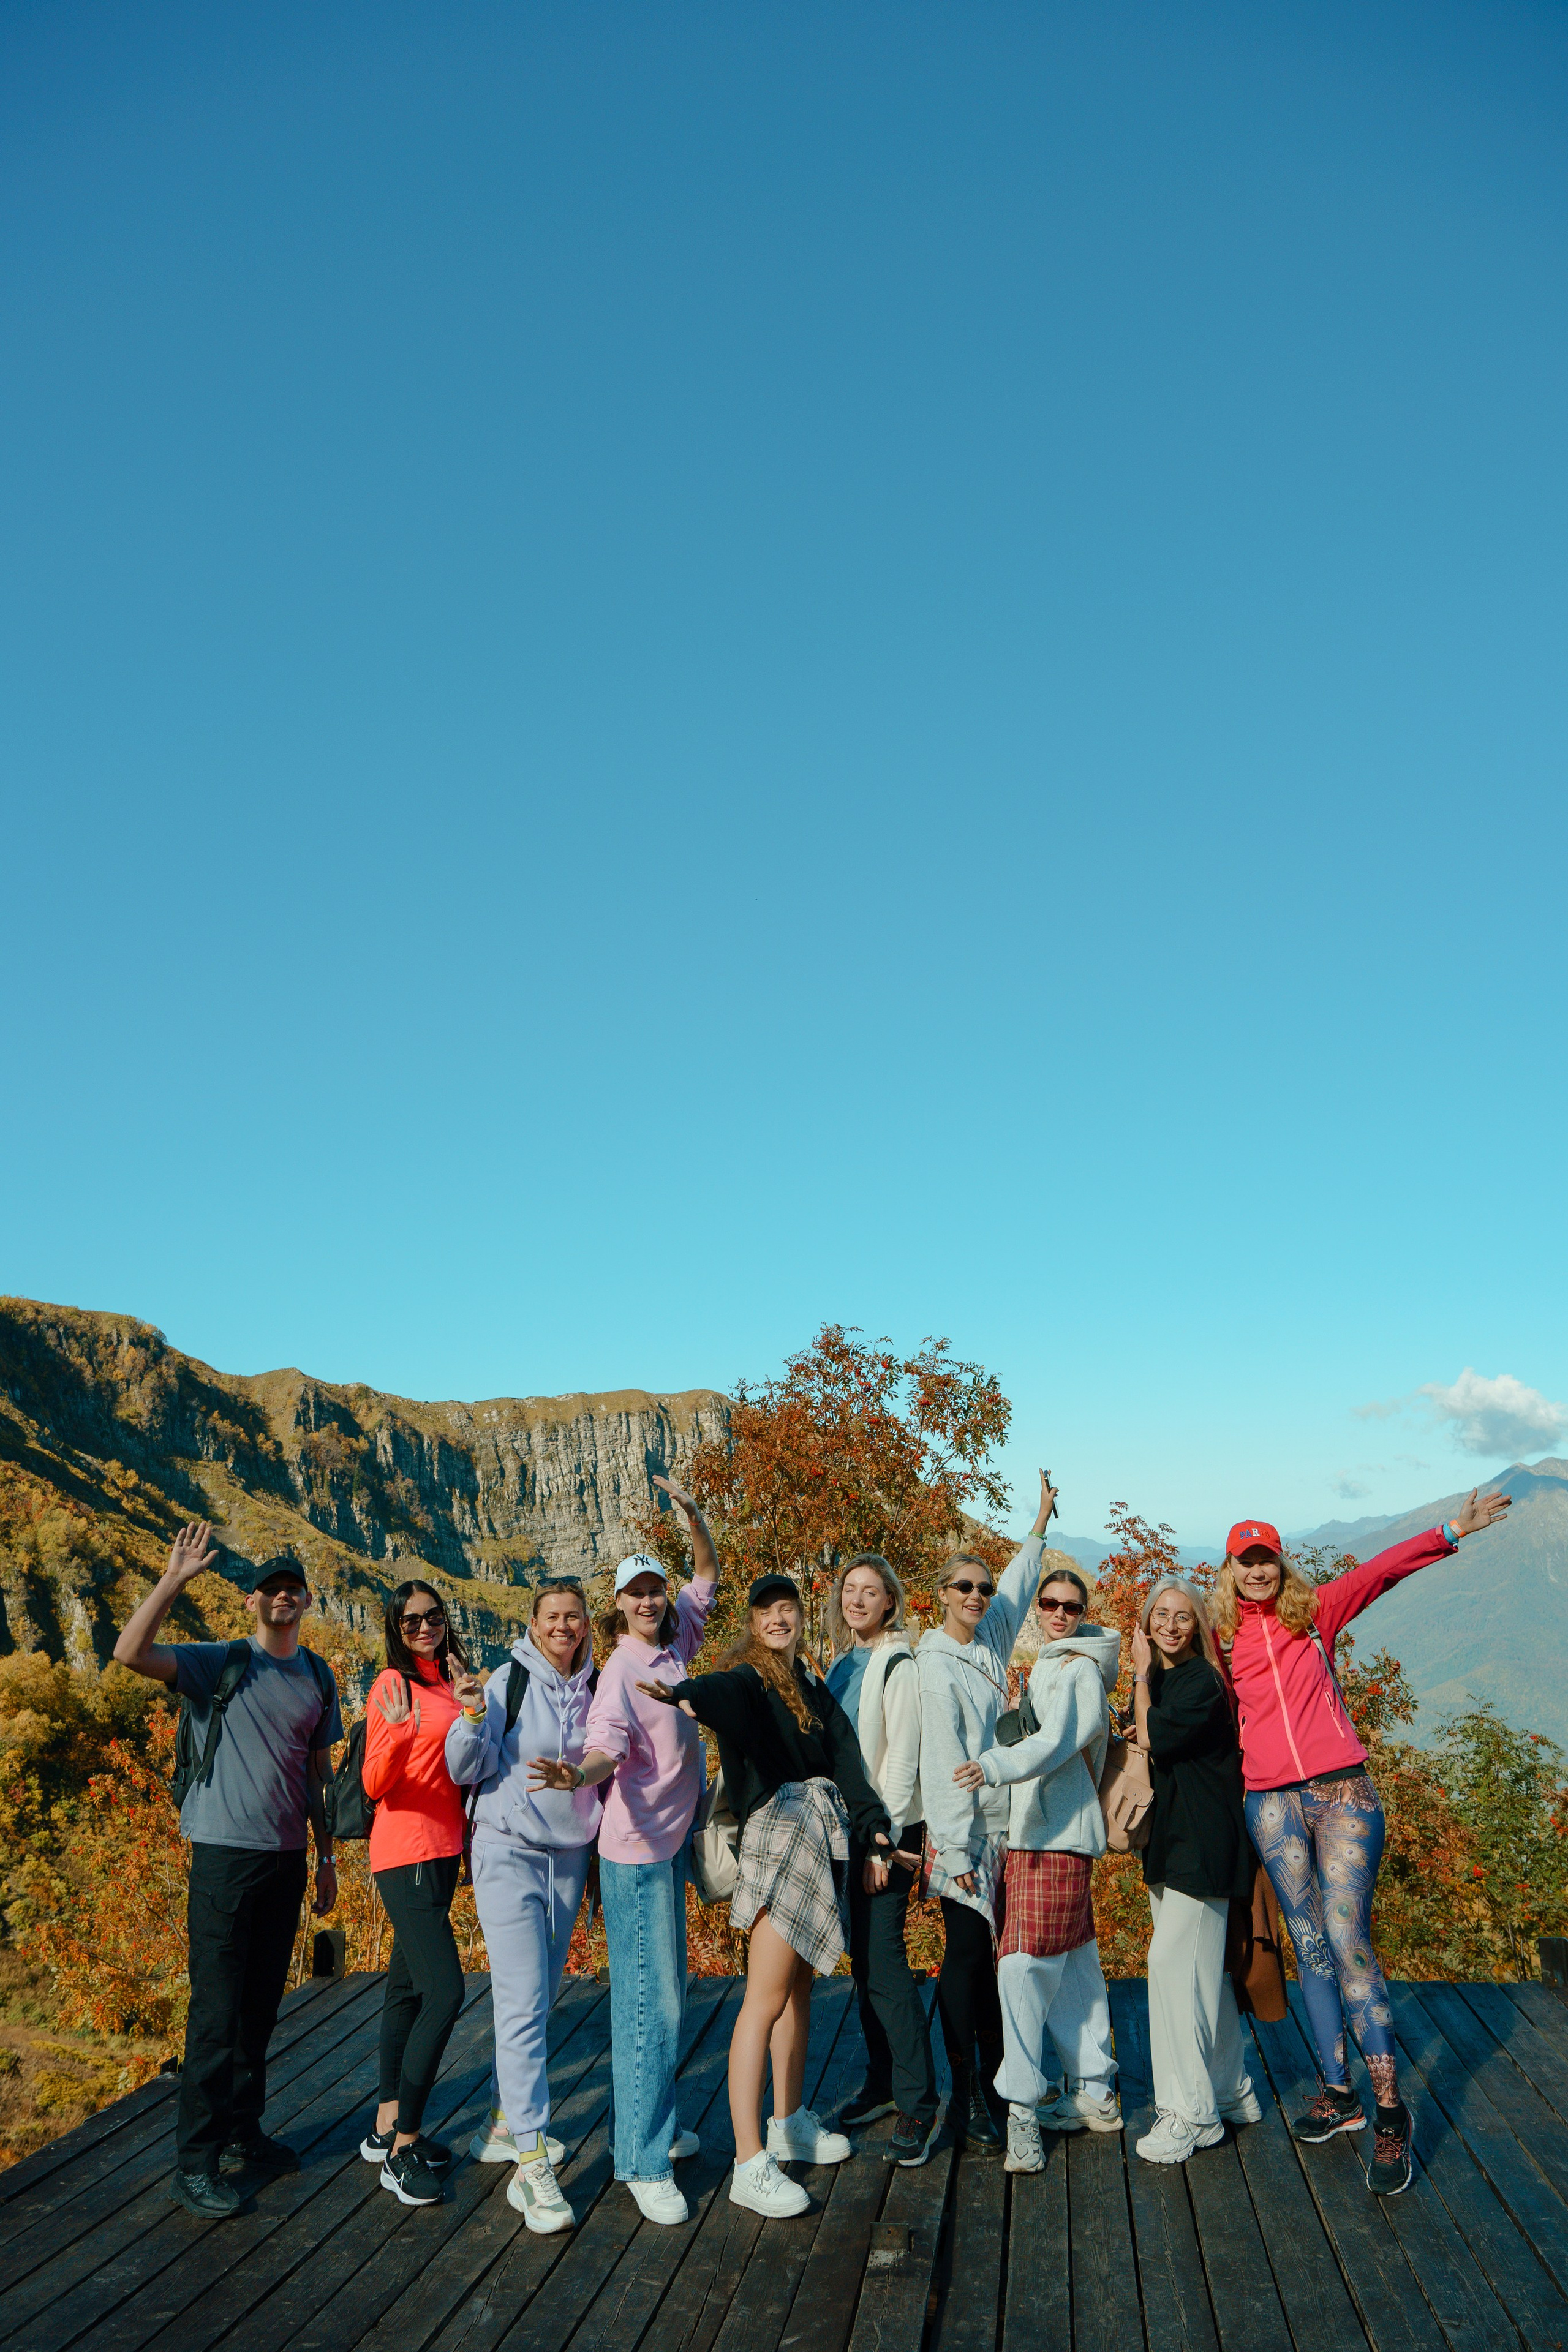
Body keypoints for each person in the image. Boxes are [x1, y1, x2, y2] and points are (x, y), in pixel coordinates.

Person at [1214, 1488, 1512, 2196]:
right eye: (1246, 1561)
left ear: (1281, 1565)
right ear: (1229, 1569)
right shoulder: (1221, 1638)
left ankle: (1388, 2113)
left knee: (1348, 1946)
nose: (1258, 1571)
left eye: (1267, 1560)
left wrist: (1449, 1530)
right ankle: (1337, 2093)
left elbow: (1381, 1569)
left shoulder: (1314, 1613)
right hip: (1269, 1805)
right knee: (1310, 1948)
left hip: (1342, 1793)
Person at [640, 1574, 893, 2219]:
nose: (778, 1620)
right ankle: (749, 2161)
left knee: (799, 1990)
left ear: (801, 1617)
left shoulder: (807, 1684)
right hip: (780, 1840)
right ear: (751, 1623)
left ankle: (789, 2121)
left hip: (820, 1837)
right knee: (764, 1997)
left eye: (788, 1609)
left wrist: (877, 1830)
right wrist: (685, 1694)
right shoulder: (748, 1677)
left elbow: (847, 1761)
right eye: (766, 1612)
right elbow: (720, 1693)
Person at [113, 1525, 341, 2218]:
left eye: (291, 1590)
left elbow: (317, 1772)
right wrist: (174, 1578)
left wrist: (328, 1856)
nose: (281, 1598)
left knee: (259, 2008)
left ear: (307, 1600)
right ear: (252, 1602)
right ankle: (196, 2163)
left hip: (286, 1860)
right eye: (270, 1590)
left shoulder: (319, 1676)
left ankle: (244, 2135)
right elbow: (129, 1653)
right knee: (215, 2012)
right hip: (223, 1856)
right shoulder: (222, 1661)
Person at [529, 1475, 718, 2225]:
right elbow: (605, 1744)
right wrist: (580, 1773)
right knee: (652, 2004)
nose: (646, 1600)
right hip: (636, 1854)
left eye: (653, 1589)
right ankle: (639, 2161)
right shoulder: (621, 1671)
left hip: (667, 1846)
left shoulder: (675, 1646)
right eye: (633, 1593)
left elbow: (706, 1575)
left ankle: (656, 2126)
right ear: (616, 1605)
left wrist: (693, 1515)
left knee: (665, 1993)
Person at [445, 1574, 601, 2235]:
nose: (562, 1626)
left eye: (573, 1616)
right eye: (552, 1616)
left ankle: (503, 2122)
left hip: (568, 1857)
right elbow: (464, 1768)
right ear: (533, 1623)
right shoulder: (509, 1680)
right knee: (520, 2001)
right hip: (506, 1853)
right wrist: (473, 1714)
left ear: (587, 1623)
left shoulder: (598, 1686)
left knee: (537, 2002)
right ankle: (532, 2164)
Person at [956, 1560, 1122, 2170]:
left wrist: (992, 1765)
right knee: (1074, 1967)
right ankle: (1096, 2092)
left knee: (1021, 1968)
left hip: (1051, 1839)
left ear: (1083, 1616)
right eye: (1047, 1603)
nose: (1055, 1612)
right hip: (1049, 1838)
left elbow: (1055, 1743)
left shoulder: (1076, 1671)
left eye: (1069, 1607)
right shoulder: (1053, 1667)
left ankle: (1022, 2114)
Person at [918, 1471, 1058, 2154]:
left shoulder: (990, 1640)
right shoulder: (935, 1663)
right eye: (963, 1588)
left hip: (1007, 1829)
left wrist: (1038, 1524)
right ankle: (966, 2094)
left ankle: (1001, 2090)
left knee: (999, 1961)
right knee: (966, 1960)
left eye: (981, 1588)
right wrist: (950, 1847)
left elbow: (1020, 1582)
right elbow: (942, 1758)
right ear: (941, 1596)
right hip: (966, 1836)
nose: (976, 1595)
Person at [1127, 1578, 1260, 2165]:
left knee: (1172, 1966)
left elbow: (1155, 1735)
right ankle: (1233, 2091)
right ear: (1147, 1619)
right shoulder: (1171, 1680)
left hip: (1201, 1843)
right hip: (1180, 1838)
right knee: (1202, 1975)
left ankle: (1190, 2113)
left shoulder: (1200, 1680)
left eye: (1184, 1617)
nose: (1172, 1625)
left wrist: (1135, 1674)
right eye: (1162, 1614)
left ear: (1199, 1625)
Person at [357, 1579, 479, 2207]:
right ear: (395, 1630)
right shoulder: (392, 1686)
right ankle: (404, 2147)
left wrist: (471, 1704)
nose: (425, 1628)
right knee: (446, 1990)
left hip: (443, 1851)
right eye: (411, 1623)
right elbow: (374, 1782)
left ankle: (385, 2126)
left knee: (406, 1988)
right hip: (403, 1852)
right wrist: (401, 1731)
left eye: (433, 1617)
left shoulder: (450, 1678)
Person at [824, 1552, 938, 2166]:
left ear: (891, 1601)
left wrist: (880, 1842)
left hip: (886, 1834)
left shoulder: (896, 1661)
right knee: (865, 1963)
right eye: (851, 1590)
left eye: (871, 1591)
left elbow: (900, 1760)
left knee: (886, 1965)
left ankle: (919, 2101)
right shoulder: (845, 1661)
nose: (858, 1600)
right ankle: (884, 2081)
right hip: (850, 1831)